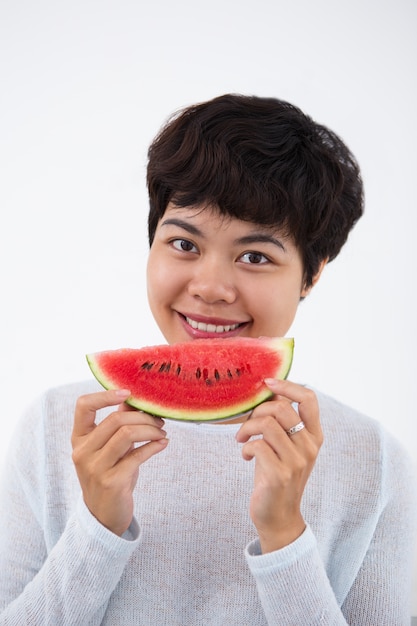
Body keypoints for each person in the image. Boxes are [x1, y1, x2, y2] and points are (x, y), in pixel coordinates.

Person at [0, 94, 415, 625]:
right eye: (184, 244)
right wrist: (97, 529)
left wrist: (286, 536)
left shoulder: (374, 463)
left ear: (312, 275)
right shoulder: (54, 430)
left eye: (255, 256)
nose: (210, 288)